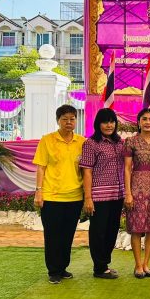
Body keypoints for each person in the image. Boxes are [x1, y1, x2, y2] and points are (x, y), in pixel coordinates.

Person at [33, 105, 85, 284]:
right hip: (52, 196)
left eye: (72, 119)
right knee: (52, 235)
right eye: (64, 119)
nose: (69, 122)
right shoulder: (47, 140)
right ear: (58, 121)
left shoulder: (82, 142)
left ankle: (63, 267)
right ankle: (53, 270)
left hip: (75, 197)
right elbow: (41, 167)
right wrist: (38, 192)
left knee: (68, 235)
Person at [80, 108, 125, 280]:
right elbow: (87, 172)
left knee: (112, 230)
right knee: (98, 231)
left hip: (117, 194)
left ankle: (105, 264)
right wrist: (88, 198)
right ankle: (99, 267)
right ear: (98, 124)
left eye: (112, 121)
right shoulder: (91, 144)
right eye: (105, 122)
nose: (109, 125)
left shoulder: (119, 143)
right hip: (99, 195)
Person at [123, 108, 150, 278]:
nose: (148, 122)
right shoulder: (131, 141)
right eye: (144, 119)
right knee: (136, 228)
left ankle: (146, 264)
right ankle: (138, 265)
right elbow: (127, 168)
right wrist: (128, 193)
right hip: (136, 187)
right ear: (139, 122)